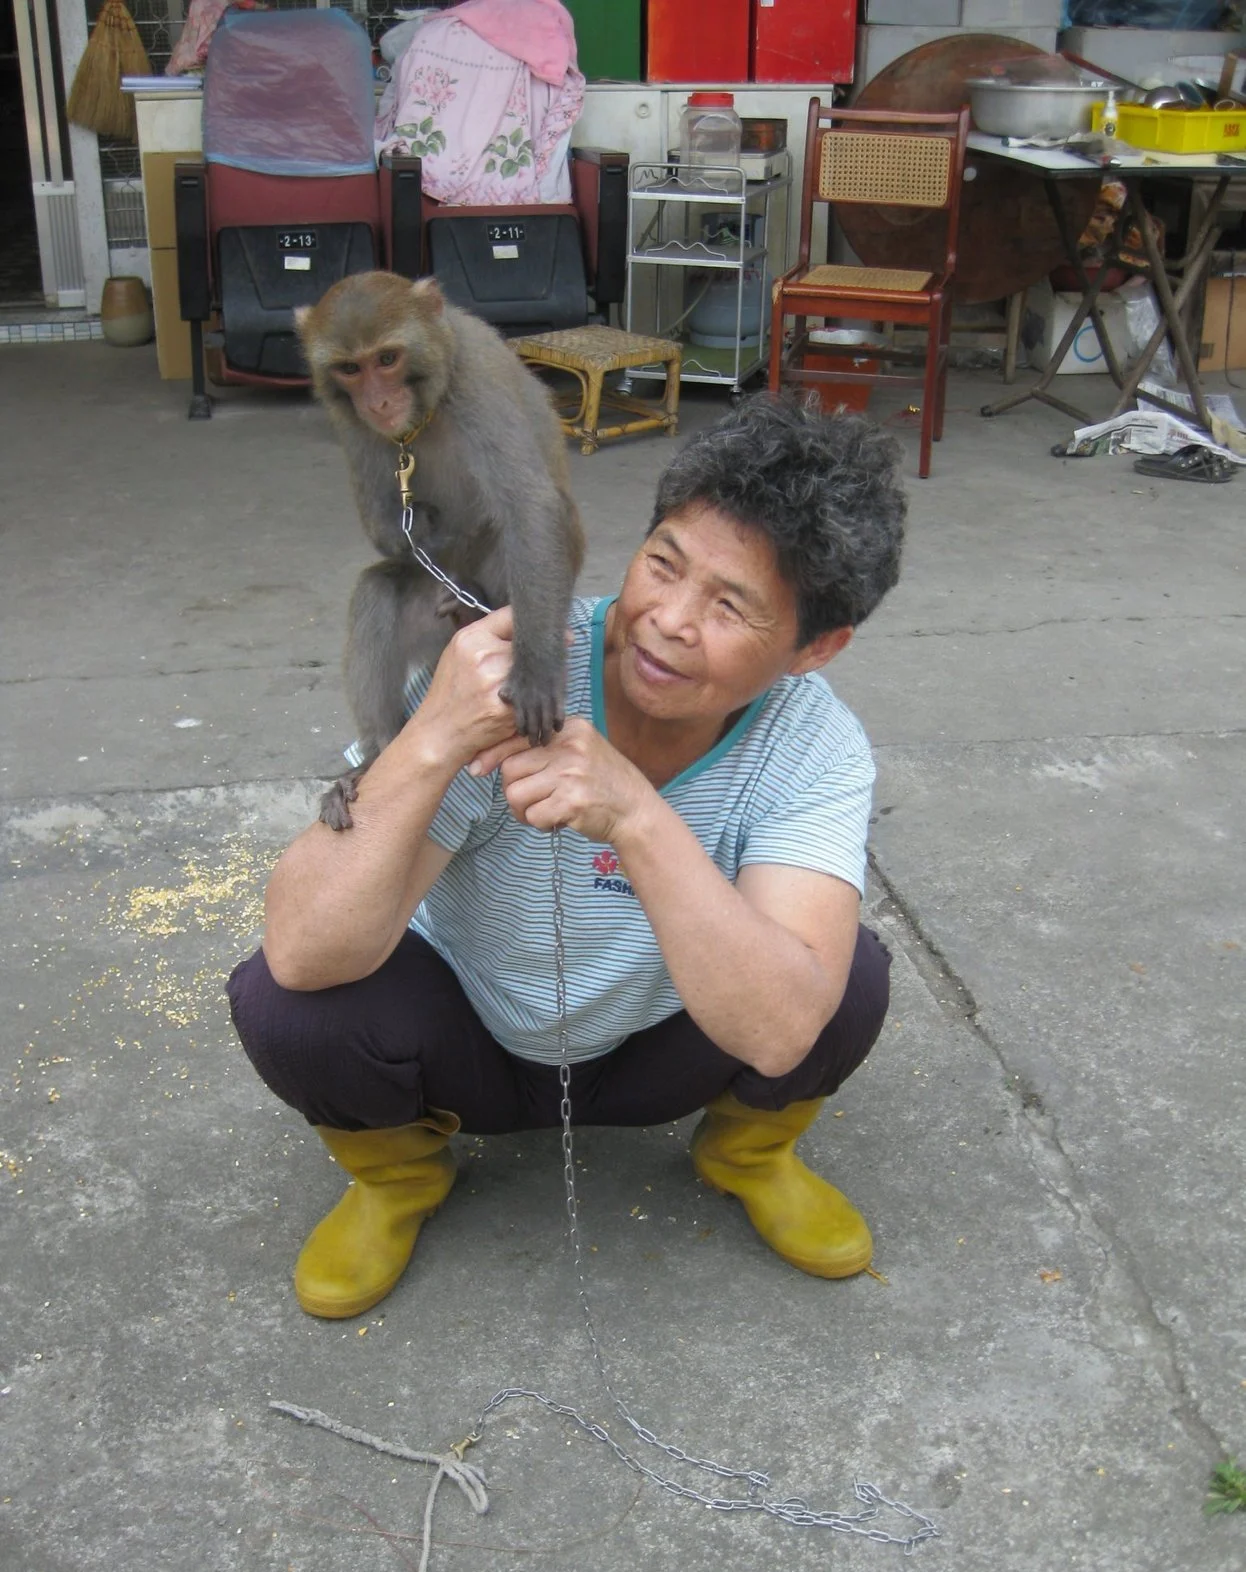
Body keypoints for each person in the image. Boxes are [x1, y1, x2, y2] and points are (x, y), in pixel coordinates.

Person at [227, 394, 906, 1320]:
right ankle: (399, 1177)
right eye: (663, 563)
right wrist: (435, 736)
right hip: (467, 1043)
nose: (668, 619)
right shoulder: (506, 669)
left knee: (843, 977)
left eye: (730, 605)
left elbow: (782, 1029)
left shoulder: (812, 745)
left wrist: (635, 814)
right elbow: (303, 948)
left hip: (653, 1052)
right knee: (291, 1008)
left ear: (815, 647)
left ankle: (746, 1153)